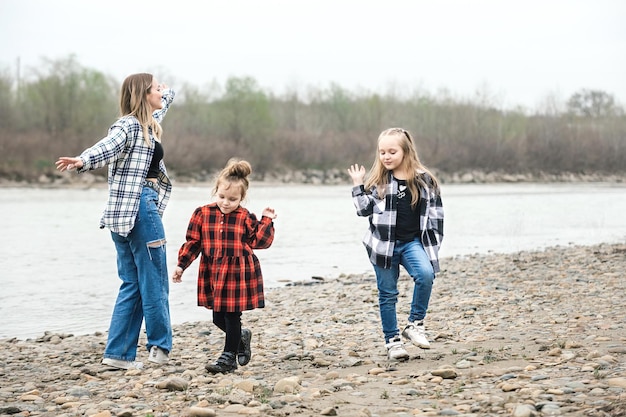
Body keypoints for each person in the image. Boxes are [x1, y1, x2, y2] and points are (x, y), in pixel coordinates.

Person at [55, 73, 175, 370]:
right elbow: (108, 146)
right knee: (155, 280)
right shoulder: (130, 126)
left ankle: (117, 355)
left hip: (120, 217)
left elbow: (165, 102)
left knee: (132, 284)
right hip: (141, 211)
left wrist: (165, 90)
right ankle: (159, 348)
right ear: (143, 95)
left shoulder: (150, 122)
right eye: (156, 88)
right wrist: (83, 160)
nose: (162, 91)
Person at [347, 127, 444, 361]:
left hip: (411, 243)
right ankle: (393, 342)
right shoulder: (378, 181)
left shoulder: (424, 180)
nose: (386, 157)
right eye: (382, 152)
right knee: (387, 294)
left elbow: (436, 216)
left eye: (392, 151)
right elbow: (363, 210)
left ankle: (415, 324)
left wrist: (431, 246)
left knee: (426, 274)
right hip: (383, 247)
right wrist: (358, 184)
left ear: (406, 151)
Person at [172, 158, 276, 374]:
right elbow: (194, 243)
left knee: (231, 315)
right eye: (221, 197)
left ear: (242, 198)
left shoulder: (245, 217)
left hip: (238, 272)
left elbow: (261, 242)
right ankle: (240, 337)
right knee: (217, 317)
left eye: (232, 199)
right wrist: (181, 266)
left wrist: (266, 220)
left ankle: (228, 359)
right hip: (213, 271)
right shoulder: (202, 213)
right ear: (215, 191)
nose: (226, 202)